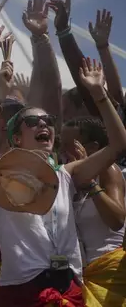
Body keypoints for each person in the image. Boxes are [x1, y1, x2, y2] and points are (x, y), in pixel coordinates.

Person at [0, 57, 126, 306]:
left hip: (69, 287)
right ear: (17, 139)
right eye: (32, 122)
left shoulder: (68, 174)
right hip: (22, 288)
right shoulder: (4, 172)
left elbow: (117, 144)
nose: (42, 123)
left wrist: (99, 94)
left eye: (48, 121)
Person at [62, 117, 126, 306]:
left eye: (69, 145)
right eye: (60, 144)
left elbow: (117, 219)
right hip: (79, 275)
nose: (62, 152)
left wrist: (90, 182)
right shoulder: (64, 177)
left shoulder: (108, 171)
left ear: (92, 148)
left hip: (109, 272)